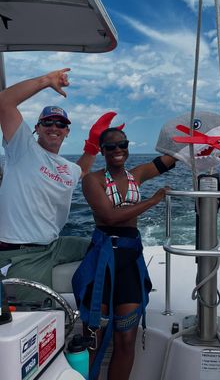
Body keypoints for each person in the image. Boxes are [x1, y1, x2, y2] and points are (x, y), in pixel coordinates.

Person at [72, 126, 176, 380]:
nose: (118, 150)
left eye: (123, 145)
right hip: (103, 260)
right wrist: (152, 201)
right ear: (102, 151)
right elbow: (109, 217)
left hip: (129, 260)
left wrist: (194, 139)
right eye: (111, 147)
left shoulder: (136, 175)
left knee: (127, 338)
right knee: (93, 337)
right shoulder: (92, 180)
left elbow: (169, 161)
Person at [0, 68, 117, 288]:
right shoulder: (22, 148)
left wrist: (93, 143)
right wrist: (45, 80)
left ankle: (96, 314)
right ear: (37, 128)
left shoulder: (66, 167)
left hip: (54, 246)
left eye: (61, 124)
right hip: (20, 252)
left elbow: (80, 171)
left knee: (110, 247)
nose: (54, 127)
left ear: (67, 131)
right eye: (48, 123)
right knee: (40, 316)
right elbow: (4, 102)